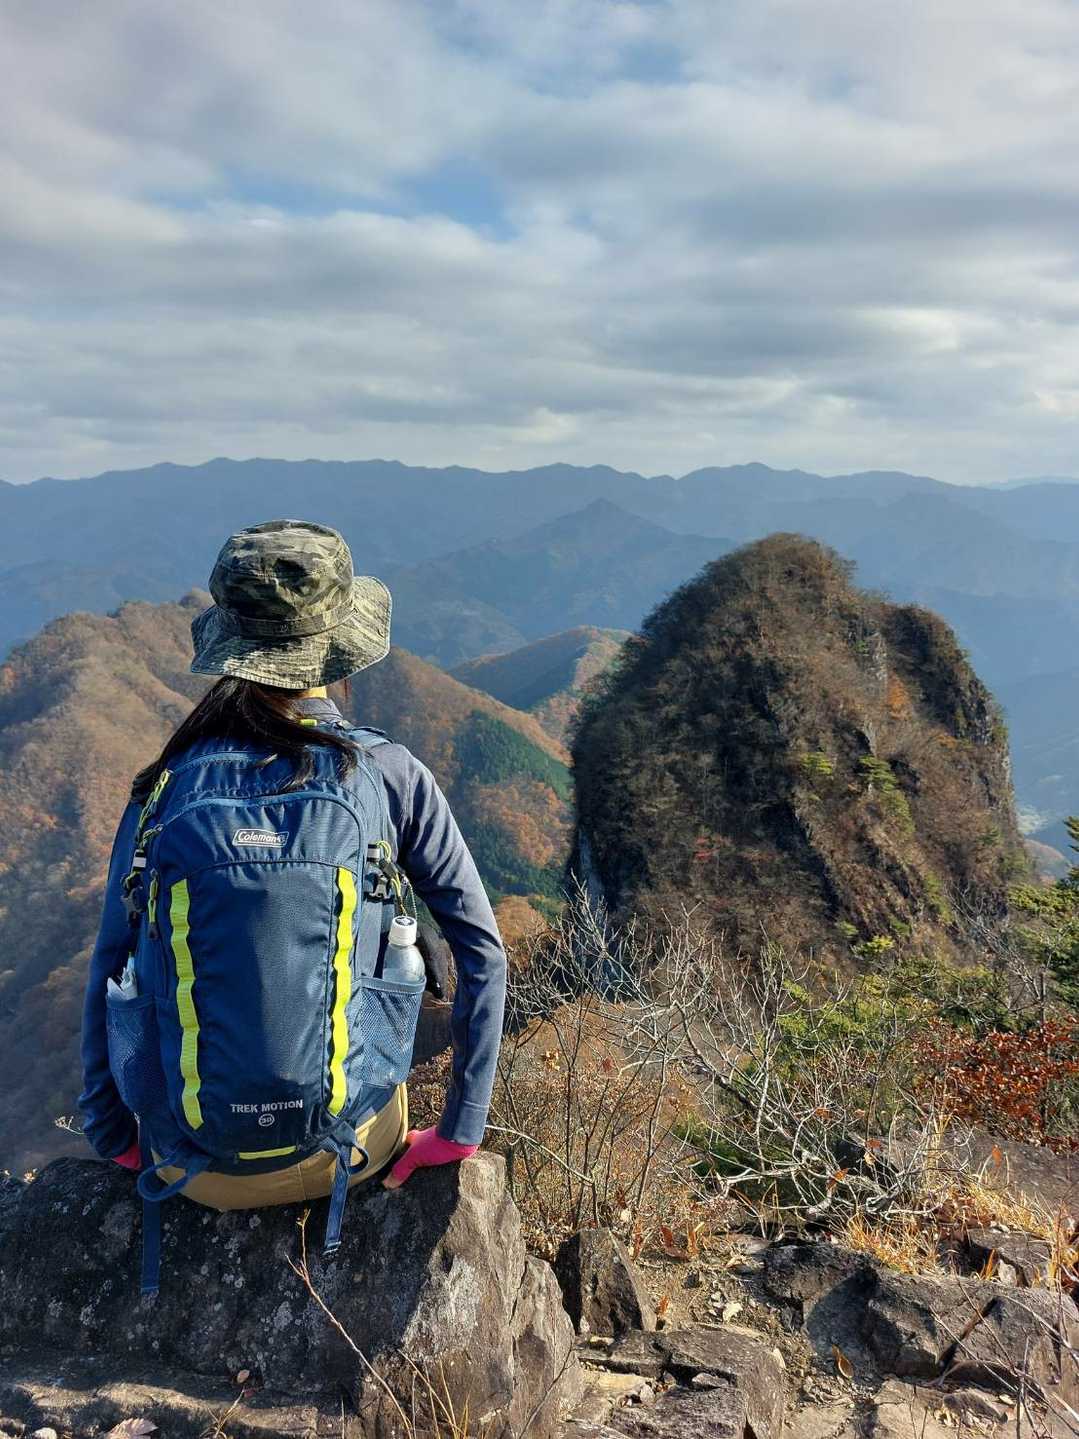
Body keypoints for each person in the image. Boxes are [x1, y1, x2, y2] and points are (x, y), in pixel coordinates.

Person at [78, 518, 507, 1206]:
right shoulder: (387, 771)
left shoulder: (163, 788)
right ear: (339, 651)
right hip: (351, 1150)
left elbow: (110, 961)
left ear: (230, 647)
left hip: (195, 1169)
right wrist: (460, 1130)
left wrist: (115, 1135)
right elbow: (482, 953)